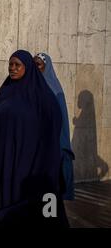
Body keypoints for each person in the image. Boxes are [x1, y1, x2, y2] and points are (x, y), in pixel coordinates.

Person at [0, 50, 69, 228]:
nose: (13, 68)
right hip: (7, 159)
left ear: (28, 68)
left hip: (31, 163)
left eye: (18, 65)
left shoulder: (44, 97)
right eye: (10, 65)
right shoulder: (5, 92)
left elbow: (53, 124)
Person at [34, 53, 75, 201]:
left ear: (46, 67)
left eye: (38, 65)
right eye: (34, 65)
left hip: (51, 143)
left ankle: (50, 215)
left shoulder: (54, 88)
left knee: (50, 186)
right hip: (36, 143)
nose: (36, 69)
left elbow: (60, 120)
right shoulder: (32, 86)